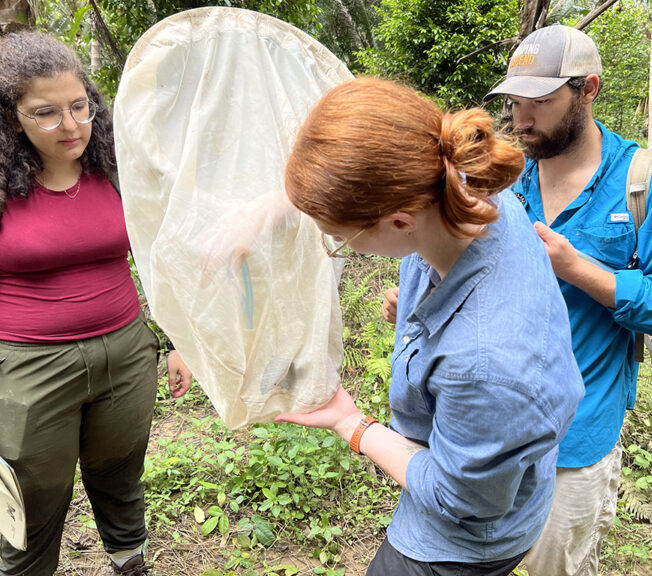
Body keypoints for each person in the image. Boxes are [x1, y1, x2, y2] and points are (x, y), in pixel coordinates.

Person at [277, 77, 584, 575]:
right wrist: (429, 316)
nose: (336, 244)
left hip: (462, 544)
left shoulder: (486, 366)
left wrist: (349, 424)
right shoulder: (466, 193)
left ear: (399, 221)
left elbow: (457, 497)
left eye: (338, 238)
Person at [0, 31, 191, 576]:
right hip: (26, 365)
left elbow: (163, 250)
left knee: (120, 474)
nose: (71, 125)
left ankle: (129, 562)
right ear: (13, 118)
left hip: (126, 353)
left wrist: (179, 337)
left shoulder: (115, 165)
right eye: (46, 113)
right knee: (32, 497)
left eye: (79, 106)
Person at [483, 24, 652, 576]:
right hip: (497, 427)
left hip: (577, 437)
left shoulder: (638, 180)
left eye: (540, 102)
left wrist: (578, 268)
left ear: (589, 89)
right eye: (514, 101)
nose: (522, 119)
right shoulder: (508, 179)